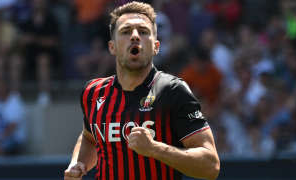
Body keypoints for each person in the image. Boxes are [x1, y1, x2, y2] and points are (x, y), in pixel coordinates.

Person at [64, 2, 220, 180]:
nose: (135, 36)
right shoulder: (93, 92)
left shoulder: (173, 90)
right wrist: (78, 163)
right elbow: (89, 138)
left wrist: (155, 149)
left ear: (156, 46)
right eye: (126, 31)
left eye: (143, 31)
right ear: (112, 47)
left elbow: (211, 166)